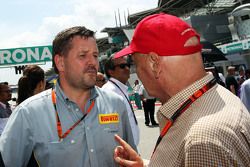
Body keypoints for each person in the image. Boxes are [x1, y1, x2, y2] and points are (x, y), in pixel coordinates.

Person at [113, 13, 250, 166]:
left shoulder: (201, 141)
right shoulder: (217, 95)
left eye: (135, 64)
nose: (136, 70)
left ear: (154, 63)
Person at [0, 26, 136, 167]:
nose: (93, 62)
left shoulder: (116, 104)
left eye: (95, 55)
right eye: (83, 55)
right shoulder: (27, 113)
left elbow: (132, 160)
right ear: (60, 62)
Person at [102, 55, 140, 147]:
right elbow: (108, 127)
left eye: (128, 65)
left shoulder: (120, 88)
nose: (127, 68)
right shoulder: (108, 91)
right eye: (122, 66)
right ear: (111, 71)